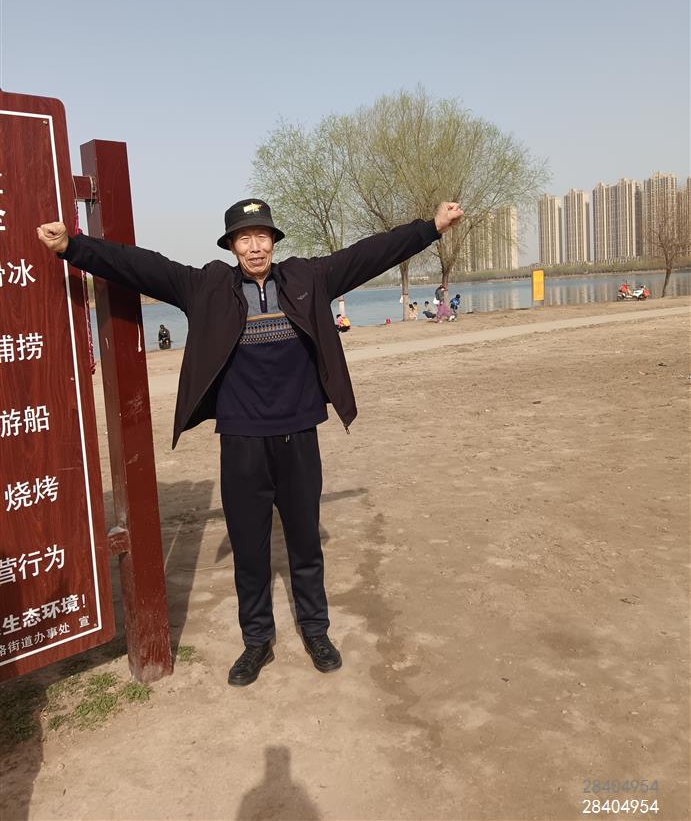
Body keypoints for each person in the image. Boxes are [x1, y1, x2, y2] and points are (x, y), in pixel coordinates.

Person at [37, 198, 464, 686]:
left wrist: (431, 227)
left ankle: (316, 630)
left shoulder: (308, 278)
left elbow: (371, 254)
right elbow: (140, 266)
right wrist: (73, 247)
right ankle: (257, 641)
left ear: (274, 241)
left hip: (299, 434)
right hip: (241, 440)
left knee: (305, 542)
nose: (255, 247)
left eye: (262, 236)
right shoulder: (206, 287)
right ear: (232, 245)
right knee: (249, 546)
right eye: (245, 238)